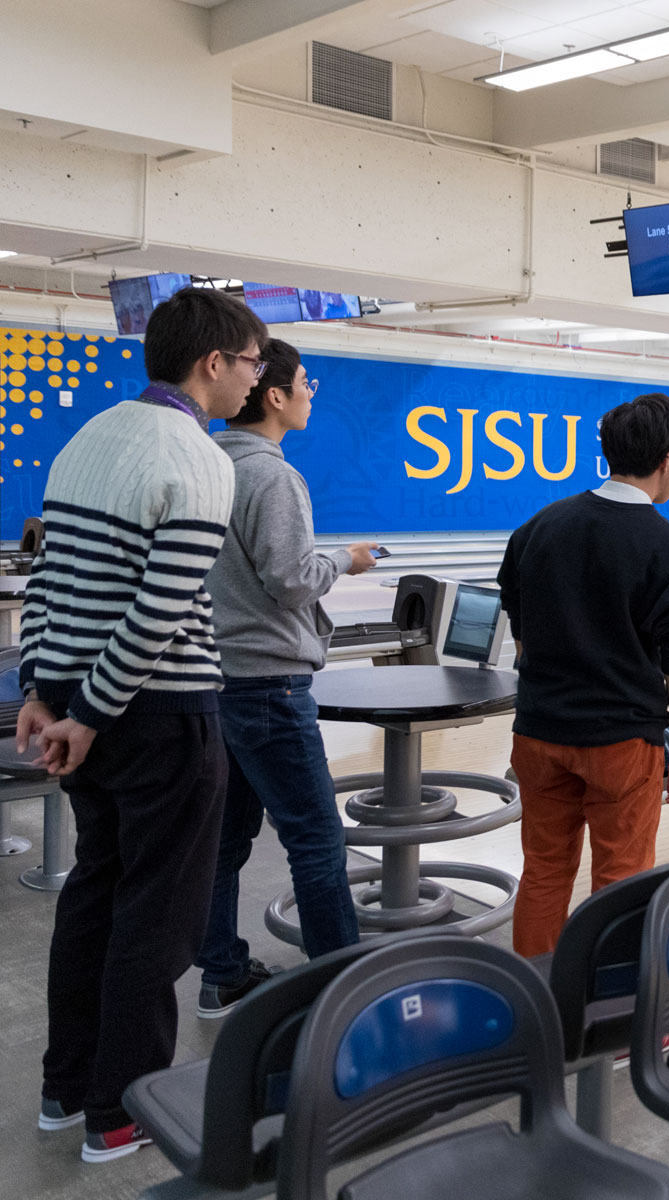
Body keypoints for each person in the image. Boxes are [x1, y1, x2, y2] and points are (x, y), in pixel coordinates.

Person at [17, 286, 266, 1162]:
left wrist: (41, 692)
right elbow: (160, 610)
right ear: (213, 364)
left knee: (95, 895)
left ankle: (65, 1089)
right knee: (157, 920)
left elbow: (43, 573)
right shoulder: (199, 460)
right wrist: (82, 712)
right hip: (160, 719)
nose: (256, 380)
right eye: (252, 363)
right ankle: (121, 1112)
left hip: (89, 712)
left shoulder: (88, 438)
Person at [195, 339, 380, 1018]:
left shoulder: (206, 465)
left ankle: (220, 974)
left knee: (225, 839)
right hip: (269, 686)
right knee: (316, 840)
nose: (312, 392)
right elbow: (292, 578)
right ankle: (341, 993)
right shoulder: (272, 477)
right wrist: (347, 561)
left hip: (215, 679)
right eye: (306, 381)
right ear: (272, 395)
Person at [497, 392, 669, 959]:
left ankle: (534, 1004)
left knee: (543, 872)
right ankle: (613, 1023)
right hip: (620, 742)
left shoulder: (538, 528)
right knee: (621, 882)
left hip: (539, 733)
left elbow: (521, 632)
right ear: (666, 460)